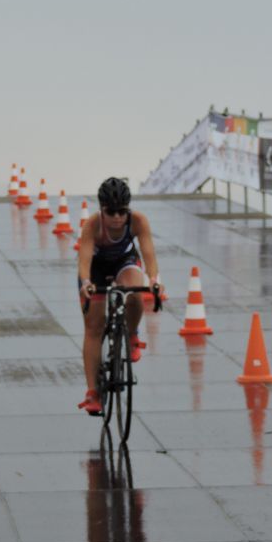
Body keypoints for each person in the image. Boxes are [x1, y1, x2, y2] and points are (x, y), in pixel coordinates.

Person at [77, 177, 163, 415]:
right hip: (96, 268)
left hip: (124, 262)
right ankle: (92, 392)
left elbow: (149, 256)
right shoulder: (92, 226)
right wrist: (86, 284)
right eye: (110, 212)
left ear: (129, 209)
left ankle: (132, 334)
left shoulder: (138, 221)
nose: (116, 217)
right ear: (101, 209)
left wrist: (154, 280)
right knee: (94, 328)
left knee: (135, 294)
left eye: (122, 211)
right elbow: (84, 261)